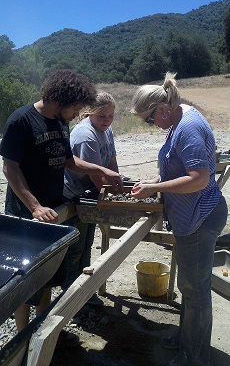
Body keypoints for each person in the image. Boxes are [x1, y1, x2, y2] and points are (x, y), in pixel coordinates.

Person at [0, 69, 123, 341]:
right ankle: (22, 339)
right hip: (26, 215)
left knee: (47, 278)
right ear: (62, 99)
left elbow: (69, 161)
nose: (78, 112)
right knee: (23, 281)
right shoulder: (21, 121)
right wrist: (34, 206)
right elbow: (10, 168)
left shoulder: (59, 122)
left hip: (55, 211)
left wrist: (105, 171)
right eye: (76, 106)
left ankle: (42, 335)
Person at [130, 72, 228, 366]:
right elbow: (179, 166)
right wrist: (156, 180)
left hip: (200, 218)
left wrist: (155, 188)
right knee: (189, 286)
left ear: (162, 109)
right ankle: (187, 339)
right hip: (193, 215)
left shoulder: (188, 128)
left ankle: (195, 357)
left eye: (149, 120)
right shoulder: (178, 119)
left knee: (195, 291)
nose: (151, 126)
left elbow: (198, 179)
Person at [62, 90, 119, 306]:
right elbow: (96, 175)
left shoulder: (106, 129)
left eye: (111, 116)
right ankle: (70, 297)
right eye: (102, 116)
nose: (107, 120)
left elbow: (111, 162)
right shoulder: (86, 135)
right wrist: (116, 199)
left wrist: (117, 184)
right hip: (74, 195)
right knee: (74, 248)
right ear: (89, 113)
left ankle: (84, 292)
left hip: (91, 194)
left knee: (87, 244)